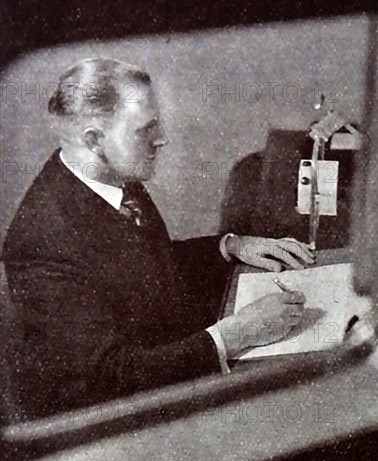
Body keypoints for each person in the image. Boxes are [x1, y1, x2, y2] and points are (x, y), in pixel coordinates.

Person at [1, 58, 313, 418]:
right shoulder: (41, 241)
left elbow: (148, 266)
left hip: (164, 381)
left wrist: (231, 246)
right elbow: (108, 375)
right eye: (144, 130)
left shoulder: (112, 176)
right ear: (94, 140)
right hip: (120, 427)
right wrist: (233, 336)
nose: (160, 139)